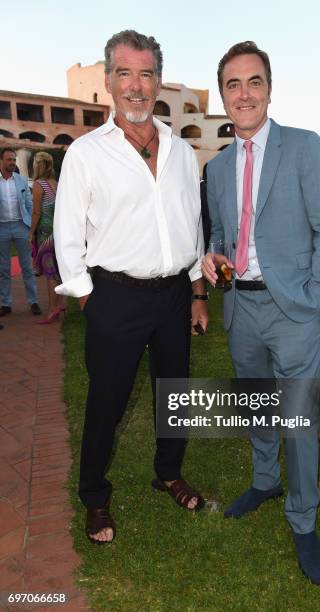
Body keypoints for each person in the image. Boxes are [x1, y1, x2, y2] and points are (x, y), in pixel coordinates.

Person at [54, 29, 208, 544]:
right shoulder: (85, 153)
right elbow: (66, 232)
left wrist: (196, 291)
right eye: (125, 74)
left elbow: (192, 224)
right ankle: (95, 498)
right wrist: (87, 296)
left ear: (158, 80)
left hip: (172, 297)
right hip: (113, 296)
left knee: (175, 394)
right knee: (107, 402)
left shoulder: (182, 151)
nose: (137, 86)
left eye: (145, 74)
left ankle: (168, 473)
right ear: (109, 81)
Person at [202, 41, 320, 585]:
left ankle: (303, 517)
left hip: (295, 312)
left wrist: (319, 303)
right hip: (242, 309)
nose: (244, 93)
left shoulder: (304, 147)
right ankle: (265, 480)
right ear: (223, 95)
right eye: (233, 84)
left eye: (253, 81)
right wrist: (212, 256)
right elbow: (218, 234)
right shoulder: (216, 168)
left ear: (269, 88)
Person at [0, 148, 41, 317]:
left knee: (27, 268)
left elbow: (30, 205)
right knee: (3, 269)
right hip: (1, 229)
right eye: (9, 159)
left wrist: (31, 229)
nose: (12, 163)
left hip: (21, 227)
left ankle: (33, 302)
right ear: (1, 161)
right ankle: (6, 303)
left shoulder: (22, 180)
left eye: (14, 160)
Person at [29, 152, 64, 324]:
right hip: (59, 232)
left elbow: (36, 212)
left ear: (38, 165)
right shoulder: (55, 184)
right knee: (58, 269)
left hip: (45, 233)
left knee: (50, 273)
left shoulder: (38, 184)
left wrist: (30, 233)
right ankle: (61, 303)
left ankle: (52, 309)